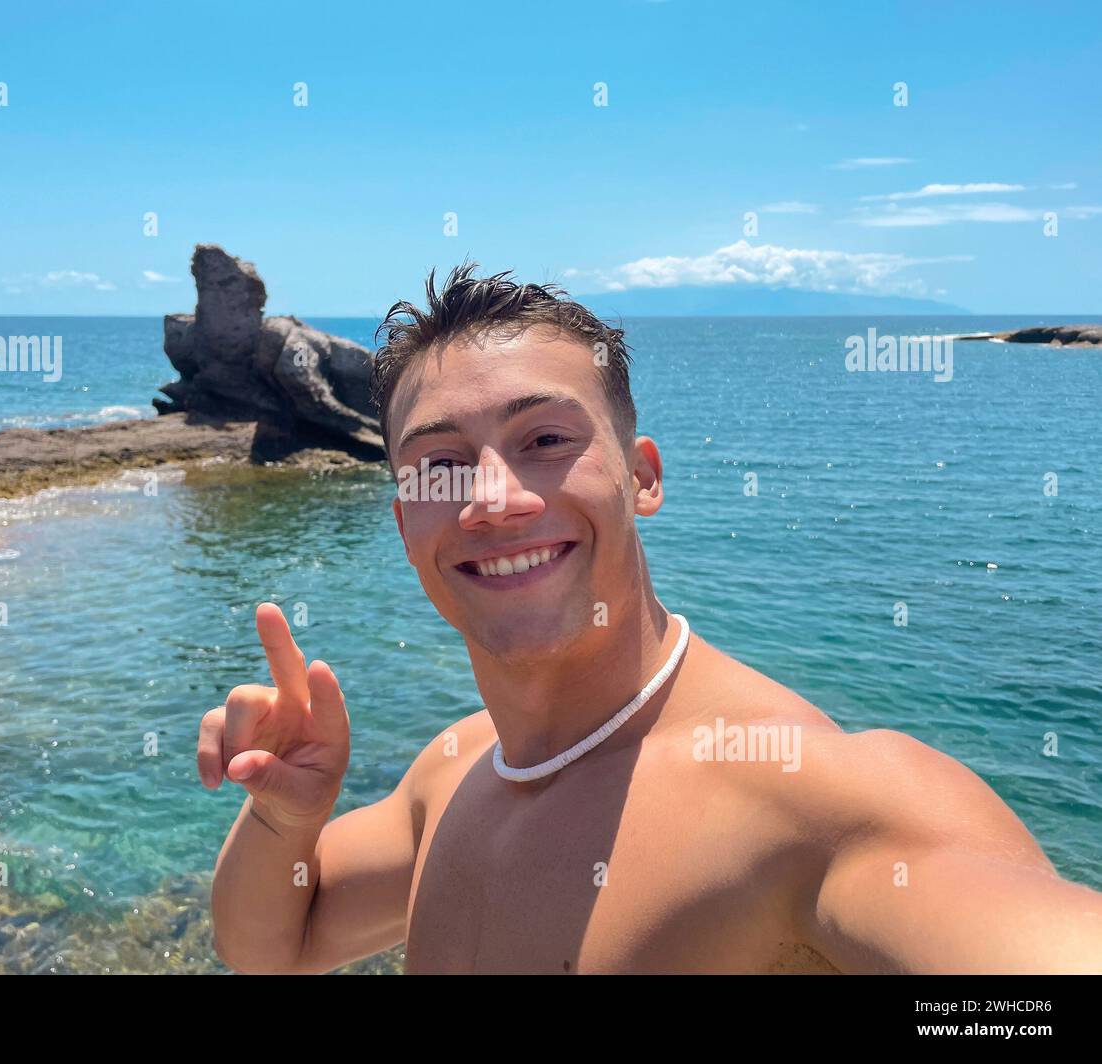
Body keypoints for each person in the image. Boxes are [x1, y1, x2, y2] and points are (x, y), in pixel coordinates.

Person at [196, 263, 1102, 974]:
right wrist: (286, 820)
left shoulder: (819, 804)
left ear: (642, 477)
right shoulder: (457, 768)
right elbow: (274, 945)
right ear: (404, 521)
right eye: (440, 464)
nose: (494, 501)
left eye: (546, 440)